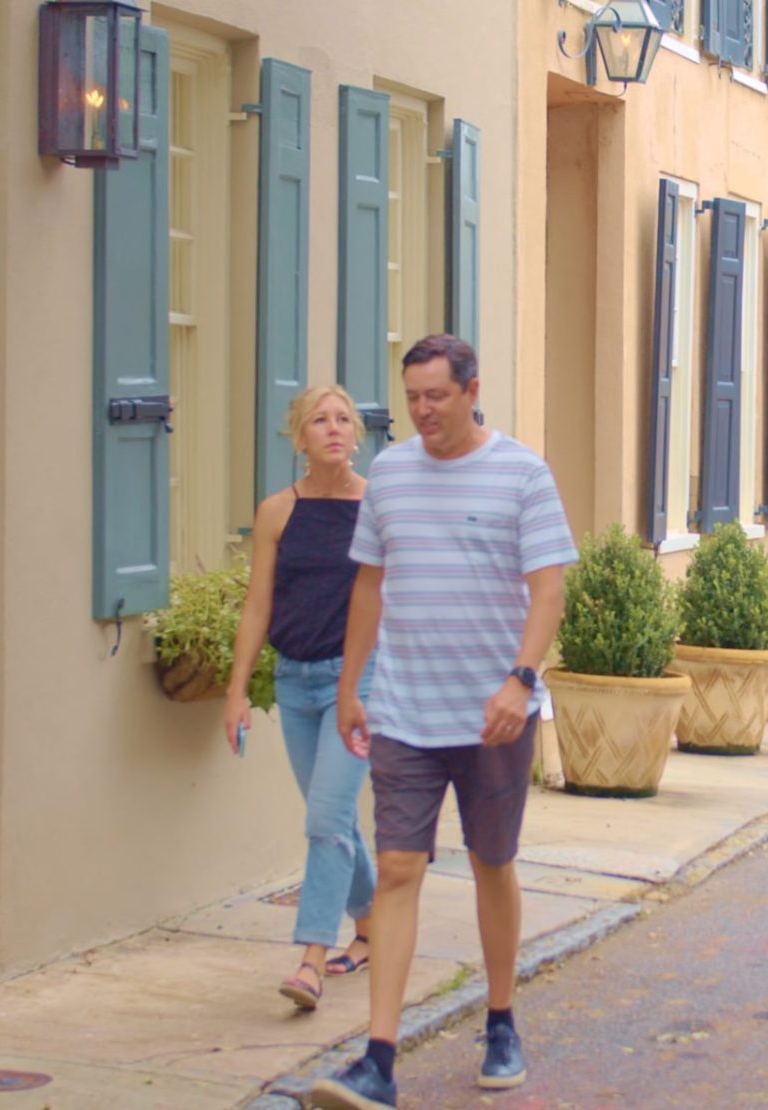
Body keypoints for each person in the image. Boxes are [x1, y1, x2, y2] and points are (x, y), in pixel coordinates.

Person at [311, 335, 578, 1110]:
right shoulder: (390, 474)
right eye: (413, 398)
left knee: (493, 862)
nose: (422, 411)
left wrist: (520, 681)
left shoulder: (522, 473)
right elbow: (370, 585)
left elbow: (547, 591)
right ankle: (379, 1060)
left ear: (470, 390)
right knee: (398, 869)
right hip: (404, 707)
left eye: (436, 396)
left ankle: (500, 1020)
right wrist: (351, 685)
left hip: (494, 714)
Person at [221, 386, 377, 1012]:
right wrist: (235, 692)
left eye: (344, 419)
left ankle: (312, 958)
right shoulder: (276, 512)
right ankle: (372, 928)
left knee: (324, 817)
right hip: (295, 679)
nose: (334, 429)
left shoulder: (376, 507)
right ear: (300, 436)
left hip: (357, 681)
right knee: (332, 817)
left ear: (356, 434)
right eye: (320, 420)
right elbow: (258, 604)